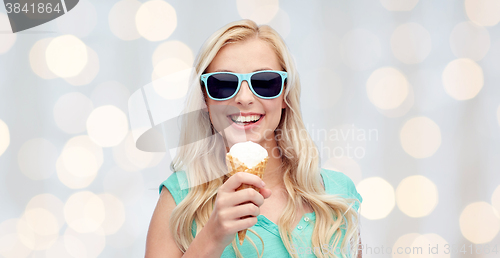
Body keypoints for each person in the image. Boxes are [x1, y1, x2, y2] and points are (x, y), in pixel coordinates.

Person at [145, 19, 363, 258]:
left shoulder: (336, 195)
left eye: (265, 82)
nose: (244, 98)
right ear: (205, 99)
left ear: (284, 95)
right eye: (223, 84)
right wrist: (212, 237)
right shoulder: (179, 199)